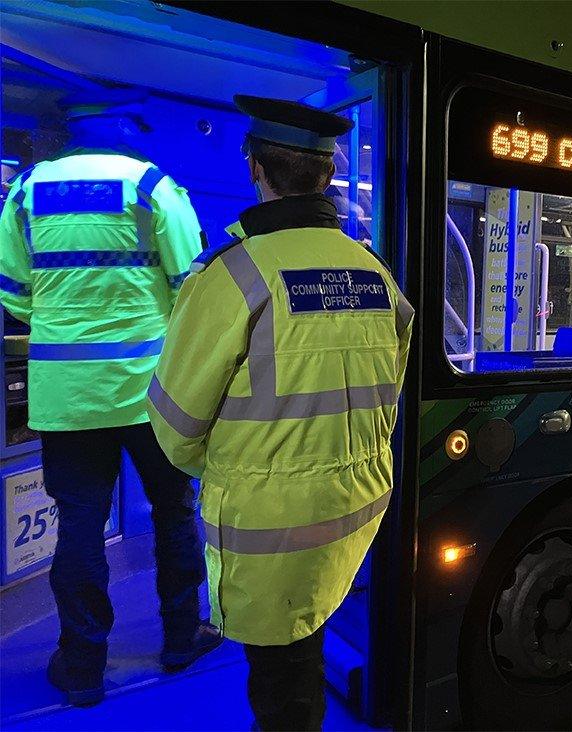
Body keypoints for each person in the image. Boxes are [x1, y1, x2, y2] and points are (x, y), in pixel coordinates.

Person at [147, 95, 414, 731]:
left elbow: (175, 428)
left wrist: (239, 470)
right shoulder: (375, 274)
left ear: (254, 170)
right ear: (327, 176)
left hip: (266, 525)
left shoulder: (231, 276)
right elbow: (387, 397)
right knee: (305, 655)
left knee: (280, 688)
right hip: (353, 512)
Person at [0, 88, 218, 706]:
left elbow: (13, 295)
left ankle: (82, 667)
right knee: (175, 511)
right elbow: (190, 289)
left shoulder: (24, 191)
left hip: (66, 398)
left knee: (78, 527)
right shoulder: (154, 187)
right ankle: (180, 640)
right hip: (151, 393)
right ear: (123, 127)